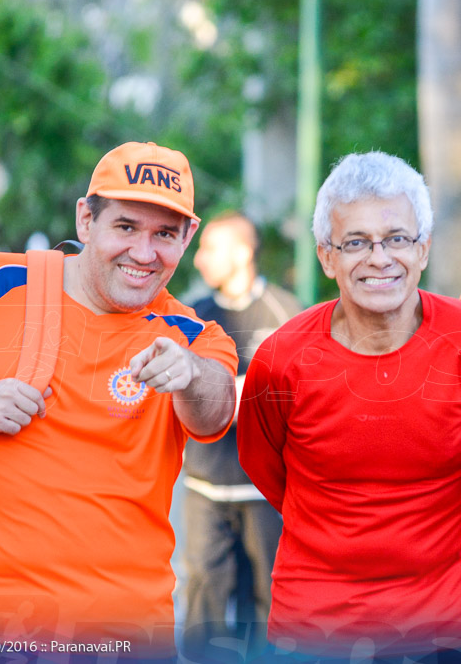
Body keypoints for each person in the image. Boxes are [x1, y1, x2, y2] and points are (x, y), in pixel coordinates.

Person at [0, 141, 238, 659]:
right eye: (126, 227)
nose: (145, 253)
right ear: (86, 220)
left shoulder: (192, 336)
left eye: (165, 234)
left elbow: (216, 407)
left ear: (188, 237)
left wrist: (191, 375)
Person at [237, 151, 461, 660]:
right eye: (355, 242)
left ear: (422, 249)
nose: (379, 258)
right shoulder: (281, 359)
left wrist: (436, 546)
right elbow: (266, 468)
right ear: (326, 256)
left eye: (397, 238)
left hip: (445, 629)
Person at [181, 212, 301, 659]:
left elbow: (302, 391)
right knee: (202, 599)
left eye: (210, 248)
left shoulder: (285, 311)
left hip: (264, 489)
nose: (200, 260)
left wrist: (239, 395)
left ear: (243, 252)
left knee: (268, 602)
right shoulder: (194, 316)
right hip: (204, 486)